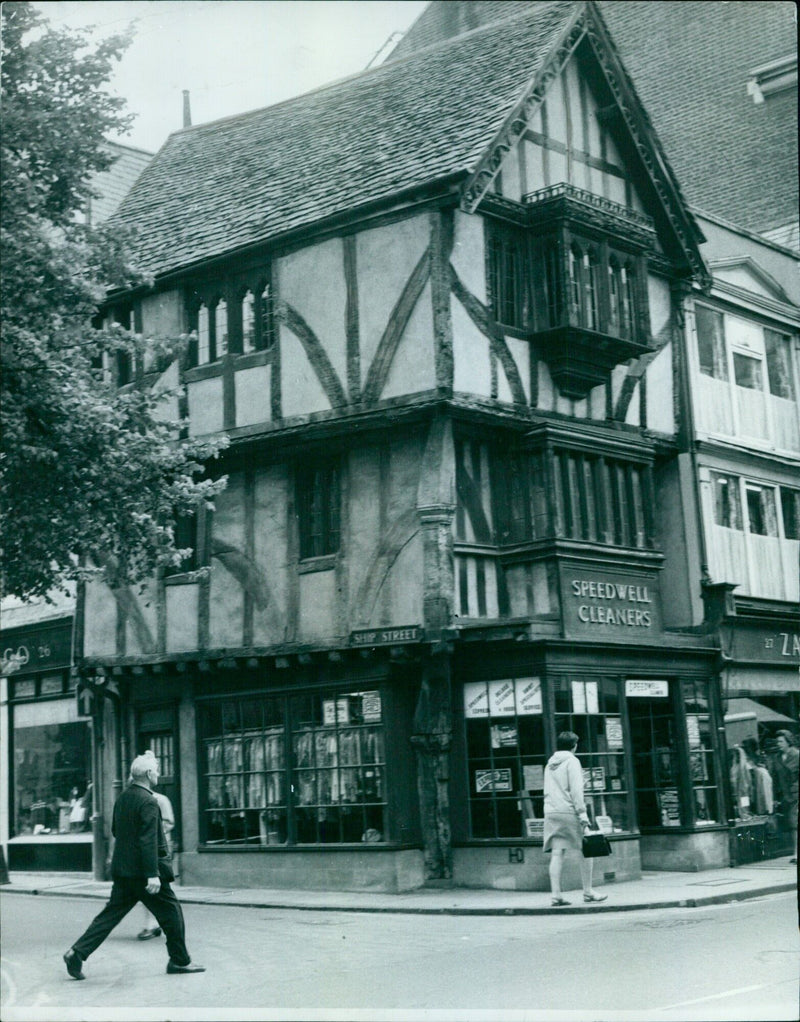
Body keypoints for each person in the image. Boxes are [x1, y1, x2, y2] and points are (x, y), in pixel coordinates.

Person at [63, 753, 204, 979]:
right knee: (172, 912)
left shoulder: (123, 797)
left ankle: (76, 953)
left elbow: (117, 831)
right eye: (156, 770)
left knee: (109, 916)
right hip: (144, 873)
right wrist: (152, 875)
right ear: (148, 774)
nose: (158, 773)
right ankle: (179, 961)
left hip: (124, 871)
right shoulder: (149, 801)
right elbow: (147, 840)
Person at [543, 731, 607, 906]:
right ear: (574, 746)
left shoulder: (549, 764)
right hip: (568, 811)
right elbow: (576, 790)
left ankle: (556, 895)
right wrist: (583, 813)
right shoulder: (572, 761)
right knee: (587, 849)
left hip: (551, 811)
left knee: (557, 853)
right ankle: (588, 891)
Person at [136, 753, 175, 941]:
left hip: (160, 851)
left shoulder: (159, 800)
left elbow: (168, 823)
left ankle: (154, 924)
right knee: (153, 891)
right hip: (149, 851)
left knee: (155, 890)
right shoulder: (141, 798)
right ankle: (156, 924)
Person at [773, 730, 798, 865]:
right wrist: (775, 797)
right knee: (792, 823)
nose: (778, 744)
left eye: (781, 741)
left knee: (794, 823)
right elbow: (775, 778)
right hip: (785, 796)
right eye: (777, 742)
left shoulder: (796, 755)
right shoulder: (777, 758)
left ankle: (796, 854)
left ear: (789, 742)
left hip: (796, 794)